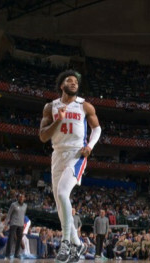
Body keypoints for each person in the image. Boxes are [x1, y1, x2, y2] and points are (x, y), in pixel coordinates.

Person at [39, 70, 102, 263]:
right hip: (57, 154)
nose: (74, 83)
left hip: (76, 154)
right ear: (62, 85)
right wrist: (58, 120)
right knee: (60, 206)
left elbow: (97, 128)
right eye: (70, 80)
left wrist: (89, 146)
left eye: (76, 81)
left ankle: (65, 241)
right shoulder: (51, 107)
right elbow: (42, 136)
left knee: (62, 194)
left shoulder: (84, 106)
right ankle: (79, 244)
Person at [5, 193, 27, 259]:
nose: (21, 198)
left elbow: (23, 215)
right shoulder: (13, 204)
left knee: (19, 240)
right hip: (13, 223)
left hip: (21, 224)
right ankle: (7, 254)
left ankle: (16, 254)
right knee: (11, 239)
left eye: (22, 197)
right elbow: (9, 214)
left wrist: (23, 224)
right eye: (20, 197)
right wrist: (6, 223)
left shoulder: (25, 206)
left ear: (24, 198)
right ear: (18, 198)